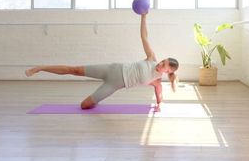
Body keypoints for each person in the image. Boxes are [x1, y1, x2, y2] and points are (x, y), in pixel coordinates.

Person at [25, 13, 179, 112]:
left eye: (164, 65)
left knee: (84, 105)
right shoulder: (151, 57)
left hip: (114, 85)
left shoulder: (157, 82)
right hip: (112, 69)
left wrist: (159, 105)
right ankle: (39, 68)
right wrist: (144, 16)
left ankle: (95, 99)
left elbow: (160, 99)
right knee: (75, 70)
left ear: (168, 72)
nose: (160, 64)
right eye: (163, 61)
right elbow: (144, 37)